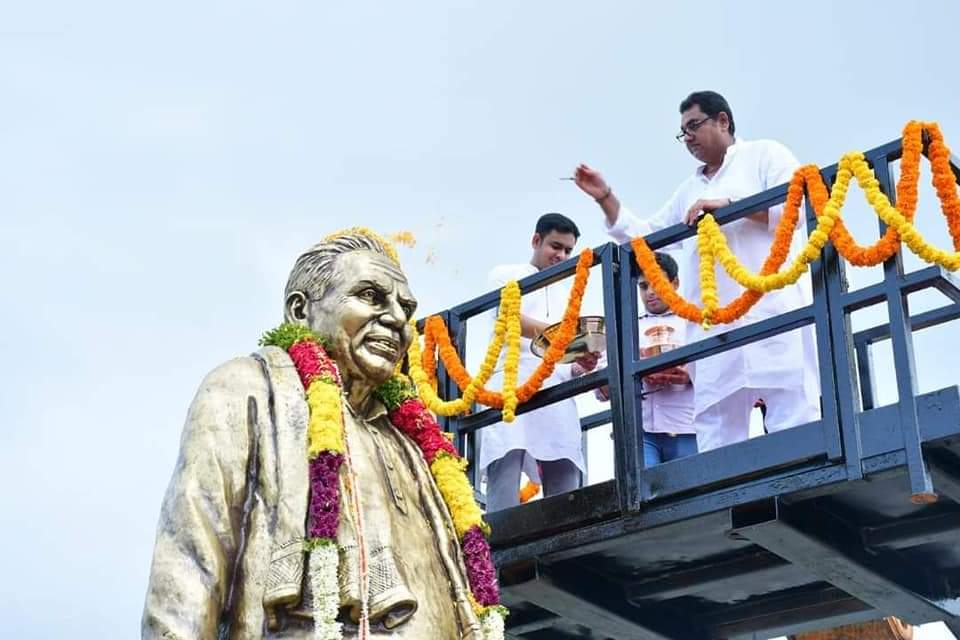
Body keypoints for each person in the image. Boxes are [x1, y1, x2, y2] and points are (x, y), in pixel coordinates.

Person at [143, 231, 487, 638]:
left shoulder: (414, 442)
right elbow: (190, 561)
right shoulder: (246, 388)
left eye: (405, 307)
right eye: (371, 296)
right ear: (300, 310)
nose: (397, 319)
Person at [574, 90, 820, 452]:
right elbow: (646, 238)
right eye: (682, 132)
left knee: (793, 414)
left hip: (772, 312)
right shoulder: (689, 189)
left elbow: (795, 210)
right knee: (718, 430)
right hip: (713, 330)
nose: (687, 138)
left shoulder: (765, 155)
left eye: (694, 126)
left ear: (723, 120)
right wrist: (605, 197)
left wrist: (728, 208)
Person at [479, 213, 599, 512]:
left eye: (568, 251)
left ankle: (564, 548)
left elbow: (565, 359)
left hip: (554, 390)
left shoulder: (569, 293)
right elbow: (509, 318)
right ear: (536, 240)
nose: (561, 256)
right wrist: (562, 337)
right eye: (555, 246)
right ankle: (502, 552)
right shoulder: (505, 274)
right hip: (510, 385)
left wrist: (581, 363)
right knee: (505, 472)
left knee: (564, 478)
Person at [595, 251, 697, 465]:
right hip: (639, 431)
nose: (650, 292)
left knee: (691, 493)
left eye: (657, 283)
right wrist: (629, 368)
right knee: (642, 494)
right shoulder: (624, 326)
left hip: (687, 425)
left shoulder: (694, 319)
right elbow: (602, 385)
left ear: (675, 282)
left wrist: (689, 375)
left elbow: (717, 365)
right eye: (643, 286)